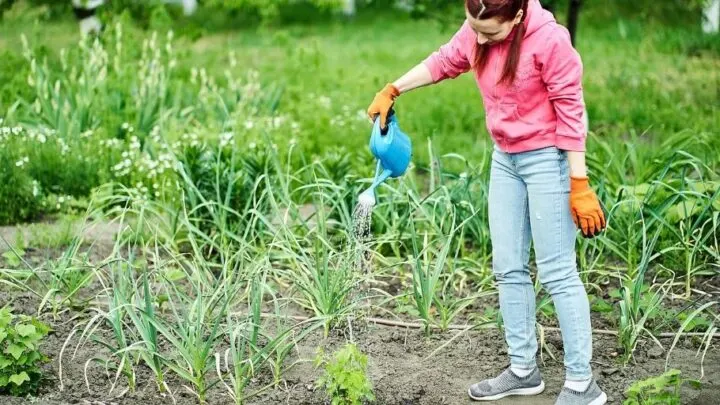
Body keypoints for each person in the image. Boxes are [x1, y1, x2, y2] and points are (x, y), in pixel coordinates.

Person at [366, 0, 607, 404]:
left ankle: (583, 385)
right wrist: (393, 88)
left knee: (557, 273)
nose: (478, 39)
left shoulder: (550, 41)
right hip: (505, 158)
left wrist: (579, 184)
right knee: (508, 267)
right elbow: (445, 60)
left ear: (516, 17)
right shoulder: (479, 28)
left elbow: (571, 113)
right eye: (473, 28)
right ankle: (523, 370)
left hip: (548, 159)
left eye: (489, 33)